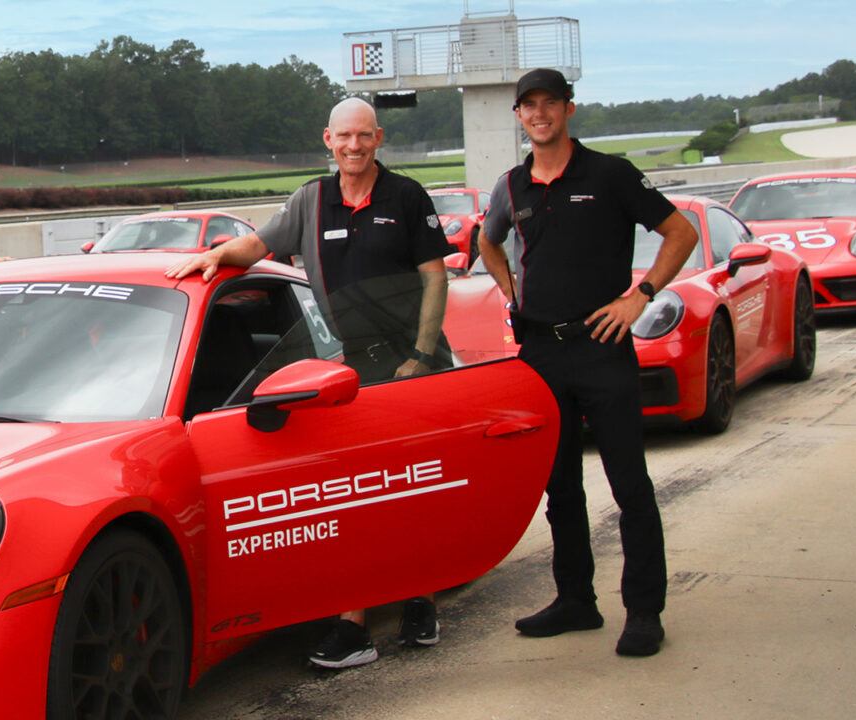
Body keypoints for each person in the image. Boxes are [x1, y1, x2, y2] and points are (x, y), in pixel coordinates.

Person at [165, 97, 453, 669]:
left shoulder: (406, 195)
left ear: (378, 138)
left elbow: (435, 276)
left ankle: (420, 600)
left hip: (411, 367)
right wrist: (215, 255)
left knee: (409, 496)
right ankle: (355, 629)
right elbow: (258, 245)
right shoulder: (310, 201)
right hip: (354, 368)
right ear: (328, 139)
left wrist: (422, 356)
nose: (353, 146)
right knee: (361, 499)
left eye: (363, 136)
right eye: (344, 136)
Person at [477, 68, 697, 658]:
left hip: (602, 350)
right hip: (541, 353)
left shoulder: (611, 173)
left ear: (569, 110)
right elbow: (487, 241)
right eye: (529, 105)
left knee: (630, 485)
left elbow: (680, 232)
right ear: (519, 116)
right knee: (561, 489)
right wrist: (509, 291)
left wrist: (639, 297)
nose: (540, 113)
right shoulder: (511, 185)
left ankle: (644, 611)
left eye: (551, 103)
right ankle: (576, 600)